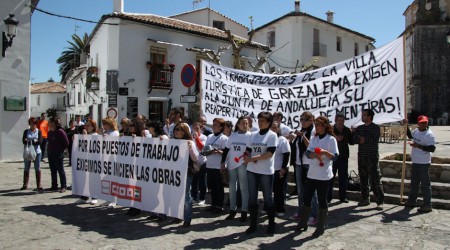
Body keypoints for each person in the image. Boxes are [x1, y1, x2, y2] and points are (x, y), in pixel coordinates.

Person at [296, 116, 338, 237]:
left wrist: (324, 152)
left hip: (323, 175)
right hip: (312, 173)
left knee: (322, 199)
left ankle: (320, 226)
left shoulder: (331, 139)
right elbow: (308, 153)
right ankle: (303, 222)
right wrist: (314, 154)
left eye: (318, 125)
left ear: (324, 126)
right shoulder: (314, 138)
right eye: (316, 125)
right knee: (307, 198)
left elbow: (335, 156)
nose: (316, 127)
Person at [244, 112, 278, 234]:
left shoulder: (272, 135)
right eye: (259, 120)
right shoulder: (252, 134)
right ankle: (253, 224)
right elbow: (248, 149)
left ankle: (271, 224)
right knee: (252, 198)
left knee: (268, 198)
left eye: (263, 121)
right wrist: (246, 156)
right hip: (252, 170)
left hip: (265, 171)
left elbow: (269, 153)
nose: (260, 122)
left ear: (268, 122)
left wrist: (252, 158)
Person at [290, 111, 319, 225]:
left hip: (308, 163)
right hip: (298, 163)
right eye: (301, 119)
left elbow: (311, 147)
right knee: (300, 190)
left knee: (311, 191)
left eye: (304, 119)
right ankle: (301, 211)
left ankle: (314, 214)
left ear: (311, 120)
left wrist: (302, 137)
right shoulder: (302, 131)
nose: (302, 122)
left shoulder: (313, 131)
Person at [352, 109, 384, 209]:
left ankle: (380, 201)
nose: (362, 117)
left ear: (369, 117)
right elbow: (354, 139)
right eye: (362, 115)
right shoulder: (360, 128)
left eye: (364, 115)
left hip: (372, 156)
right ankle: (365, 198)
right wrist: (359, 138)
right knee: (363, 178)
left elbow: (373, 138)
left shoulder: (375, 127)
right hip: (361, 156)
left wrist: (363, 139)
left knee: (375, 179)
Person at [221, 116, 251, 222]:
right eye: (242, 123)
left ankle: (244, 211)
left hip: (243, 164)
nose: (245, 125)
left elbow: (249, 150)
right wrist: (223, 162)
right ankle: (232, 211)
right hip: (232, 164)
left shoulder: (250, 136)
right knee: (232, 188)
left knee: (243, 188)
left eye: (246, 123)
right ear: (238, 124)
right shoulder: (233, 136)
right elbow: (226, 149)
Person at [404, 115, 436, 213]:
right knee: (414, 183)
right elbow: (410, 136)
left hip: (424, 162)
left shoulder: (429, 134)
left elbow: (432, 148)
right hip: (416, 161)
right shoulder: (416, 131)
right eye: (422, 122)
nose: (424, 124)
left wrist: (418, 146)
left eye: (425, 122)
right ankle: (412, 201)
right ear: (418, 123)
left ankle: (427, 204)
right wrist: (406, 125)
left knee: (425, 184)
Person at [172, 122, 199, 228]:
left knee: (186, 195)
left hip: (186, 171)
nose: (175, 131)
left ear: (184, 131)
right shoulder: (173, 142)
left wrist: (190, 148)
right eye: (175, 129)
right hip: (175, 171)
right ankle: (178, 215)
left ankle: (187, 218)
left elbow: (195, 158)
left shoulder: (189, 142)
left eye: (178, 129)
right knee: (176, 194)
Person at [327, 113, 353, 203]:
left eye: (342, 121)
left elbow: (352, 142)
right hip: (332, 157)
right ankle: (328, 197)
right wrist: (335, 139)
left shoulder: (346, 130)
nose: (341, 122)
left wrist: (354, 133)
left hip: (343, 157)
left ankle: (343, 197)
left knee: (343, 178)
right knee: (330, 177)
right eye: (339, 121)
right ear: (335, 120)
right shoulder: (330, 130)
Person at [204, 118, 228, 213]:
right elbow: (205, 149)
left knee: (219, 186)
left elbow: (226, 153)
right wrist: (207, 151)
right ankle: (213, 204)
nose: (213, 126)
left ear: (221, 127)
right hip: (209, 165)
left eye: (216, 125)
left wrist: (218, 151)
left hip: (218, 166)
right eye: (213, 124)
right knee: (212, 187)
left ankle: (219, 205)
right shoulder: (209, 137)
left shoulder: (224, 138)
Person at [75, 119, 99, 205]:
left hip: (93, 160)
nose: (87, 127)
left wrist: (85, 137)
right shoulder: (84, 135)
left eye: (89, 125)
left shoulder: (96, 135)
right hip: (84, 160)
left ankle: (94, 196)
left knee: (92, 179)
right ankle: (84, 196)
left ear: (93, 127)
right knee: (84, 179)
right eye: (86, 125)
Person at [270, 120, 291, 217]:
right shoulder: (268, 139)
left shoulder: (282, 140)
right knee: (269, 190)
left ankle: (280, 208)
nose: (273, 129)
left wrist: (283, 168)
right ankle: (269, 207)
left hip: (280, 169)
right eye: (271, 127)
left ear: (278, 128)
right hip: (269, 169)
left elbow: (286, 155)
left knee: (279, 190)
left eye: (275, 127)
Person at [21, 117, 44, 192]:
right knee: (26, 167)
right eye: (31, 123)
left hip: (37, 152)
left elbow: (40, 141)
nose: (33, 125)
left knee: (37, 168)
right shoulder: (26, 131)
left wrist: (29, 140)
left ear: (36, 124)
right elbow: (23, 141)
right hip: (28, 152)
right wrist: (34, 140)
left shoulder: (39, 131)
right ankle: (25, 184)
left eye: (34, 123)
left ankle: (39, 185)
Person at [47, 117, 69, 193]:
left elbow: (66, 143)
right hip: (50, 152)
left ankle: (63, 186)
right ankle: (54, 185)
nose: (48, 124)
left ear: (53, 123)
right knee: (53, 170)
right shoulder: (49, 132)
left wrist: (61, 149)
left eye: (49, 122)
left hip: (58, 153)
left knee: (60, 169)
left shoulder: (60, 132)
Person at [101, 117, 120, 208]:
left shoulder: (115, 133)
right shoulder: (104, 132)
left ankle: (114, 200)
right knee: (107, 179)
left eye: (105, 124)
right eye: (103, 124)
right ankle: (108, 198)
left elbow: (114, 143)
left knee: (113, 179)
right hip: (105, 158)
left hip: (113, 158)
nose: (104, 126)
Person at [191, 122, 207, 205]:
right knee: (194, 181)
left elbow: (201, 147)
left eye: (197, 128)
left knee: (201, 180)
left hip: (202, 161)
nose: (195, 130)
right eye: (194, 128)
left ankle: (202, 198)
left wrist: (197, 138)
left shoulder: (203, 137)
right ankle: (194, 196)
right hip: (194, 162)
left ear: (201, 129)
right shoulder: (191, 137)